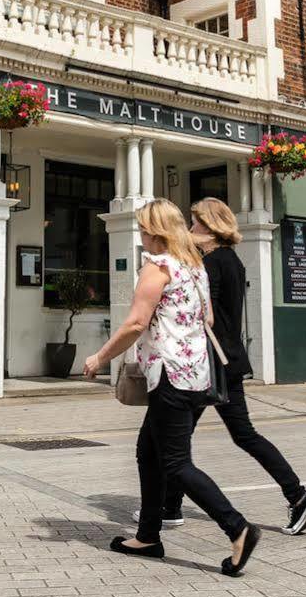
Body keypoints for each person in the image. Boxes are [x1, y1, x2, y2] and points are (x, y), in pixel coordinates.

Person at [84, 200, 260, 576]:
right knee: (148, 452)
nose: (141, 235)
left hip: (170, 375)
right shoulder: (195, 267)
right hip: (197, 375)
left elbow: (134, 323)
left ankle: (237, 528)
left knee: (175, 463)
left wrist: (99, 358)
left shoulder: (159, 266)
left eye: (144, 229)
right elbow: (208, 317)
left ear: (155, 232)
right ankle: (148, 536)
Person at [160, 199, 306, 535]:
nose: (190, 228)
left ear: (210, 226)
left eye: (195, 222)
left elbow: (208, 317)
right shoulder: (232, 260)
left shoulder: (212, 263)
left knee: (178, 438)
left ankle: (170, 507)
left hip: (210, 364)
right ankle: (297, 496)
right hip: (228, 360)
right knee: (236, 435)